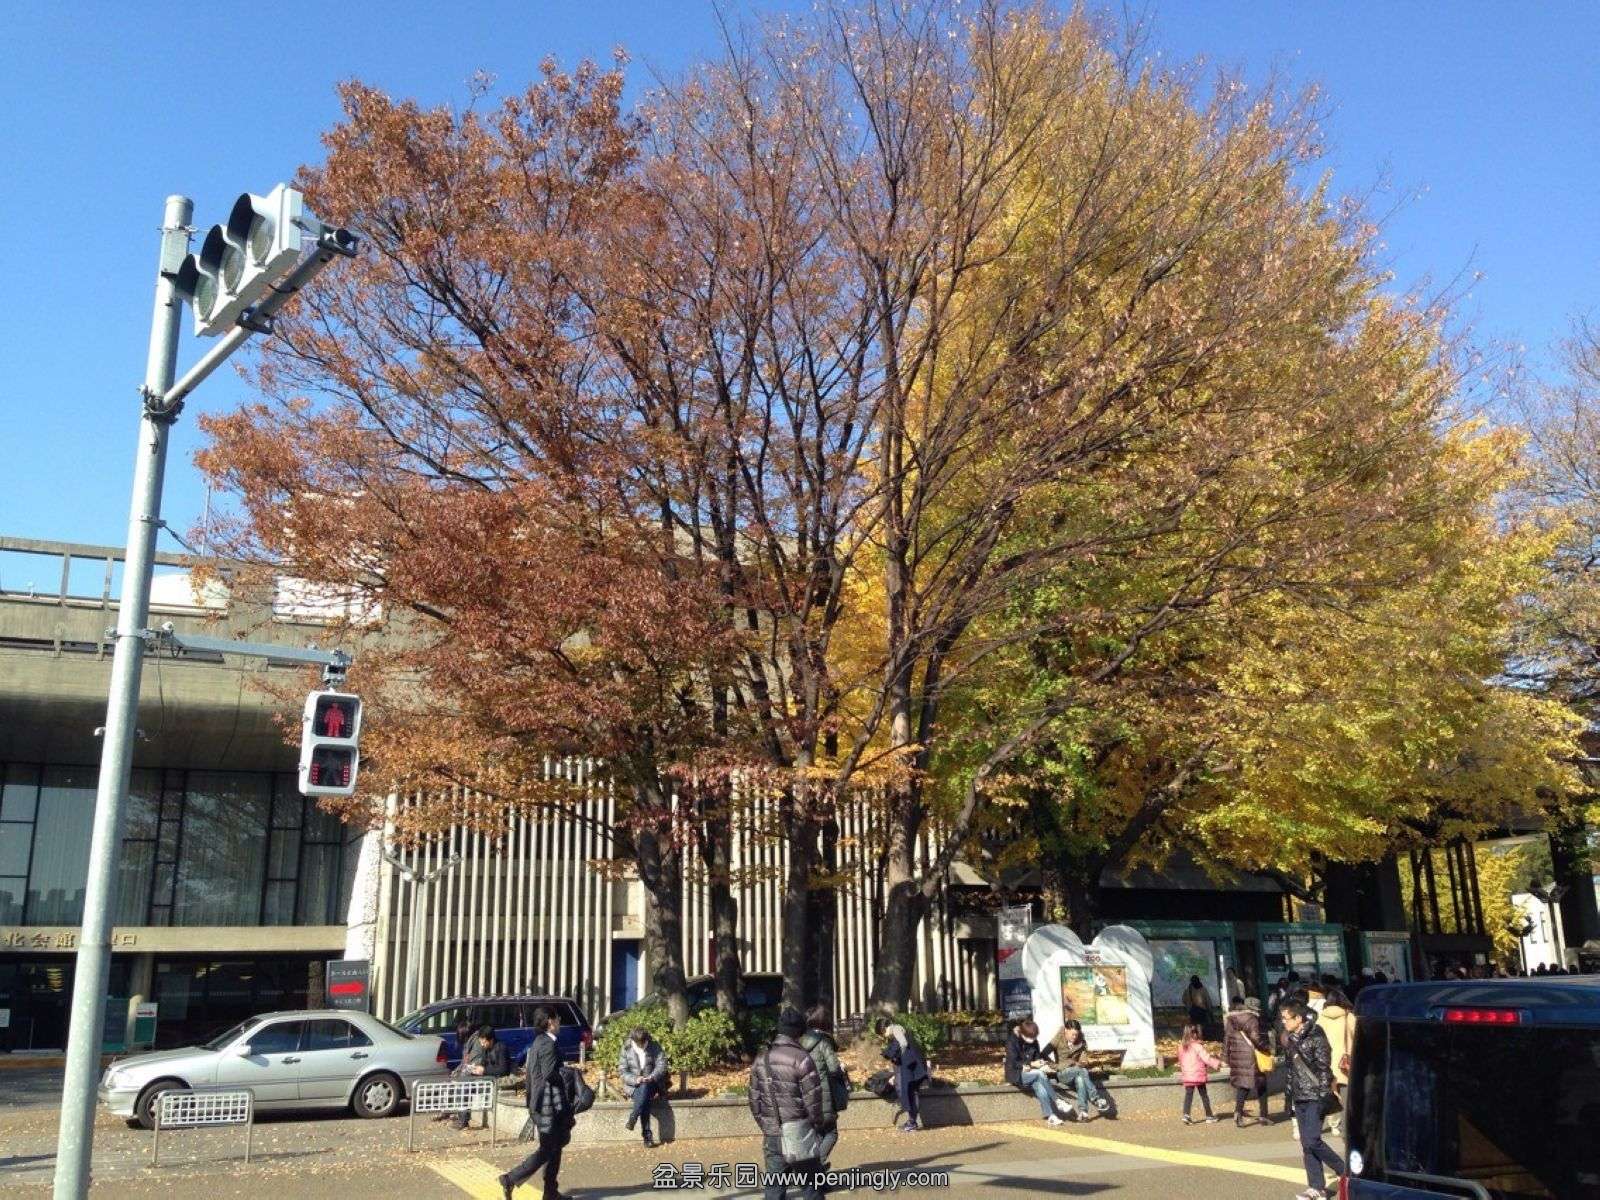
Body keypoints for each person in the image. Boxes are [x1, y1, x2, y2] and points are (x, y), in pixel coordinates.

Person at [749, 1007, 825, 1200]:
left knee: (774, 1188)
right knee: (811, 1187)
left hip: (772, 1133)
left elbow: (754, 1100)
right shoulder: (802, 1058)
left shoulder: (761, 1058)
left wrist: (767, 1125)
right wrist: (815, 1125)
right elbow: (813, 1100)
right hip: (799, 1131)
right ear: (799, 1033)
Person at [499, 1006, 572, 1200]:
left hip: (541, 1103)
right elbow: (549, 1074)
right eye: (557, 1018)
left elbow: (534, 1075)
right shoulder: (547, 1044)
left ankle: (550, 1191)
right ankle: (510, 1178)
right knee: (548, 1149)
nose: (559, 1022)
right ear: (550, 1021)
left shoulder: (539, 1042)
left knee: (555, 1146)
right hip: (546, 1105)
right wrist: (569, 1075)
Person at [1281, 999, 1344, 1200]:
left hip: (1315, 1096)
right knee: (1306, 1144)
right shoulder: (1290, 1039)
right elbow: (1290, 1070)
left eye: (1286, 1018)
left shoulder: (1316, 1035)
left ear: (1298, 1018)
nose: (1284, 1022)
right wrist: (1288, 1096)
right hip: (1299, 1096)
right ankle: (1316, 1188)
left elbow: (1324, 1068)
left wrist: (1323, 1094)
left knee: (1312, 1140)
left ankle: (1344, 1170)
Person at [800, 1006, 846, 1171]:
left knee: (817, 1133)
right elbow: (834, 1069)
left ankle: (813, 1168)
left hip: (805, 1094)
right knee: (831, 1133)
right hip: (823, 1095)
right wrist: (842, 1068)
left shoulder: (799, 1041)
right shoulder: (824, 1042)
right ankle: (815, 1166)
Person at [1004, 1017, 1070, 1126]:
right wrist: (1029, 1064)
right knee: (1039, 1074)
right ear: (1023, 1034)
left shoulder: (1034, 1042)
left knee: (1040, 1087)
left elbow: (1037, 1058)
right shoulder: (1012, 1041)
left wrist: (1042, 1064)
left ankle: (1050, 1116)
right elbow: (1013, 1062)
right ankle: (1057, 1101)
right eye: (1031, 1037)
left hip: (1032, 1074)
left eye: (1034, 1037)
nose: (1033, 1040)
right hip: (1016, 1074)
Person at [451, 1024, 508, 1131]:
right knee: (463, 1084)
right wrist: (475, 1068)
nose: (482, 1044)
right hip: (486, 1078)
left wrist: (484, 1070)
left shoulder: (501, 1048)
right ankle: (461, 1117)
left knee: (465, 1087)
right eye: (480, 1042)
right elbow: (484, 1063)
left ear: (490, 1039)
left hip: (495, 1080)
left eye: (483, 1042)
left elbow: (503, 1070)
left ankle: (463, 1120)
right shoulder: (486, 1049)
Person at [620, 1025, 669, 1148]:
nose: (642, 1046)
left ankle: (634, 1116)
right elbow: (623, 1071)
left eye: (644, 1043)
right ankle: (647, 1137)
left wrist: (651, 1076)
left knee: (645, 1089)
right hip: (633, 1086)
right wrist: (636, 1079)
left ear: (647, 1039)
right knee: (644, 1099)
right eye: (639, 1044)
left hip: (652, 1083)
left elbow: (662, 1065)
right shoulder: (626, 1048)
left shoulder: (654, 1046)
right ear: (633, 1040)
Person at [1224, 997, 1269, 1126]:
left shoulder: (1231, 1019)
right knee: (1262, 1084)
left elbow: (1226, 1039)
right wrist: (1266, 1048)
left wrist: (1225, 1057)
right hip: (1251, 1055)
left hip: (1237, 1055)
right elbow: (1255, 1038)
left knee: (1243, 1085)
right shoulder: (1252, 1019)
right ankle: (1263, 1115)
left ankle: (1238, 1113)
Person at [1319, 987, 1356, 1136]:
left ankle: (1331, 1124)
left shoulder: (1321, 1017)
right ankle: (1345, 1127)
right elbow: (1358, 1036)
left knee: (1329, 1092)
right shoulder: (1349, 1016)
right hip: (1345, 1062)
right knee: (1346, 1096)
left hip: (1326, 1060)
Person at [881, 1020, 929, 1132]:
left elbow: (902, 1044)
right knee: (912, 1092)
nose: (884, 1035)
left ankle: (912, 1123)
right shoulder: (901, 1031)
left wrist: (898, 1055)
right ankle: (912, 1122)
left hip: (910, 1065)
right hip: (914, 1064)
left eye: (882, 1033)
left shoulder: (896, 1029)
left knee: (908, 1091)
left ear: (885, 1028)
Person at [1052, 1019, 1097, 1119]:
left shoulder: (1081, 1041)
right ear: (1066, 1030)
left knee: (1081, 1078)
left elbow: (1083, 1058)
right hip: (1063, 1073)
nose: (1074, 1037)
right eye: (1072, 1034)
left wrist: (1083, 1062)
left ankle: (1083, 1112)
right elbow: (1043, 1054)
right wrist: (1055, 1066)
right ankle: (1095, 1098)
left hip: (1077, 1073)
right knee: (1081, 1070)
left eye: (1076, 1034)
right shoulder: (1058, 1039)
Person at [1178, 1023, 1221, 1124]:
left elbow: (1180, 1060)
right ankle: (1209, 1116)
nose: (1197, 1034)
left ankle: (1186, 1115)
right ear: (1194, 1034)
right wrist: (1217, 1063)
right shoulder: (1198, 1046)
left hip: (1187, 1075)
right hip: (1198, 1074)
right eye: (1196, 1032)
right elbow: (1206, 1058)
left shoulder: (1181, 1047)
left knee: (1188, 1095)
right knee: (1204, 1095)